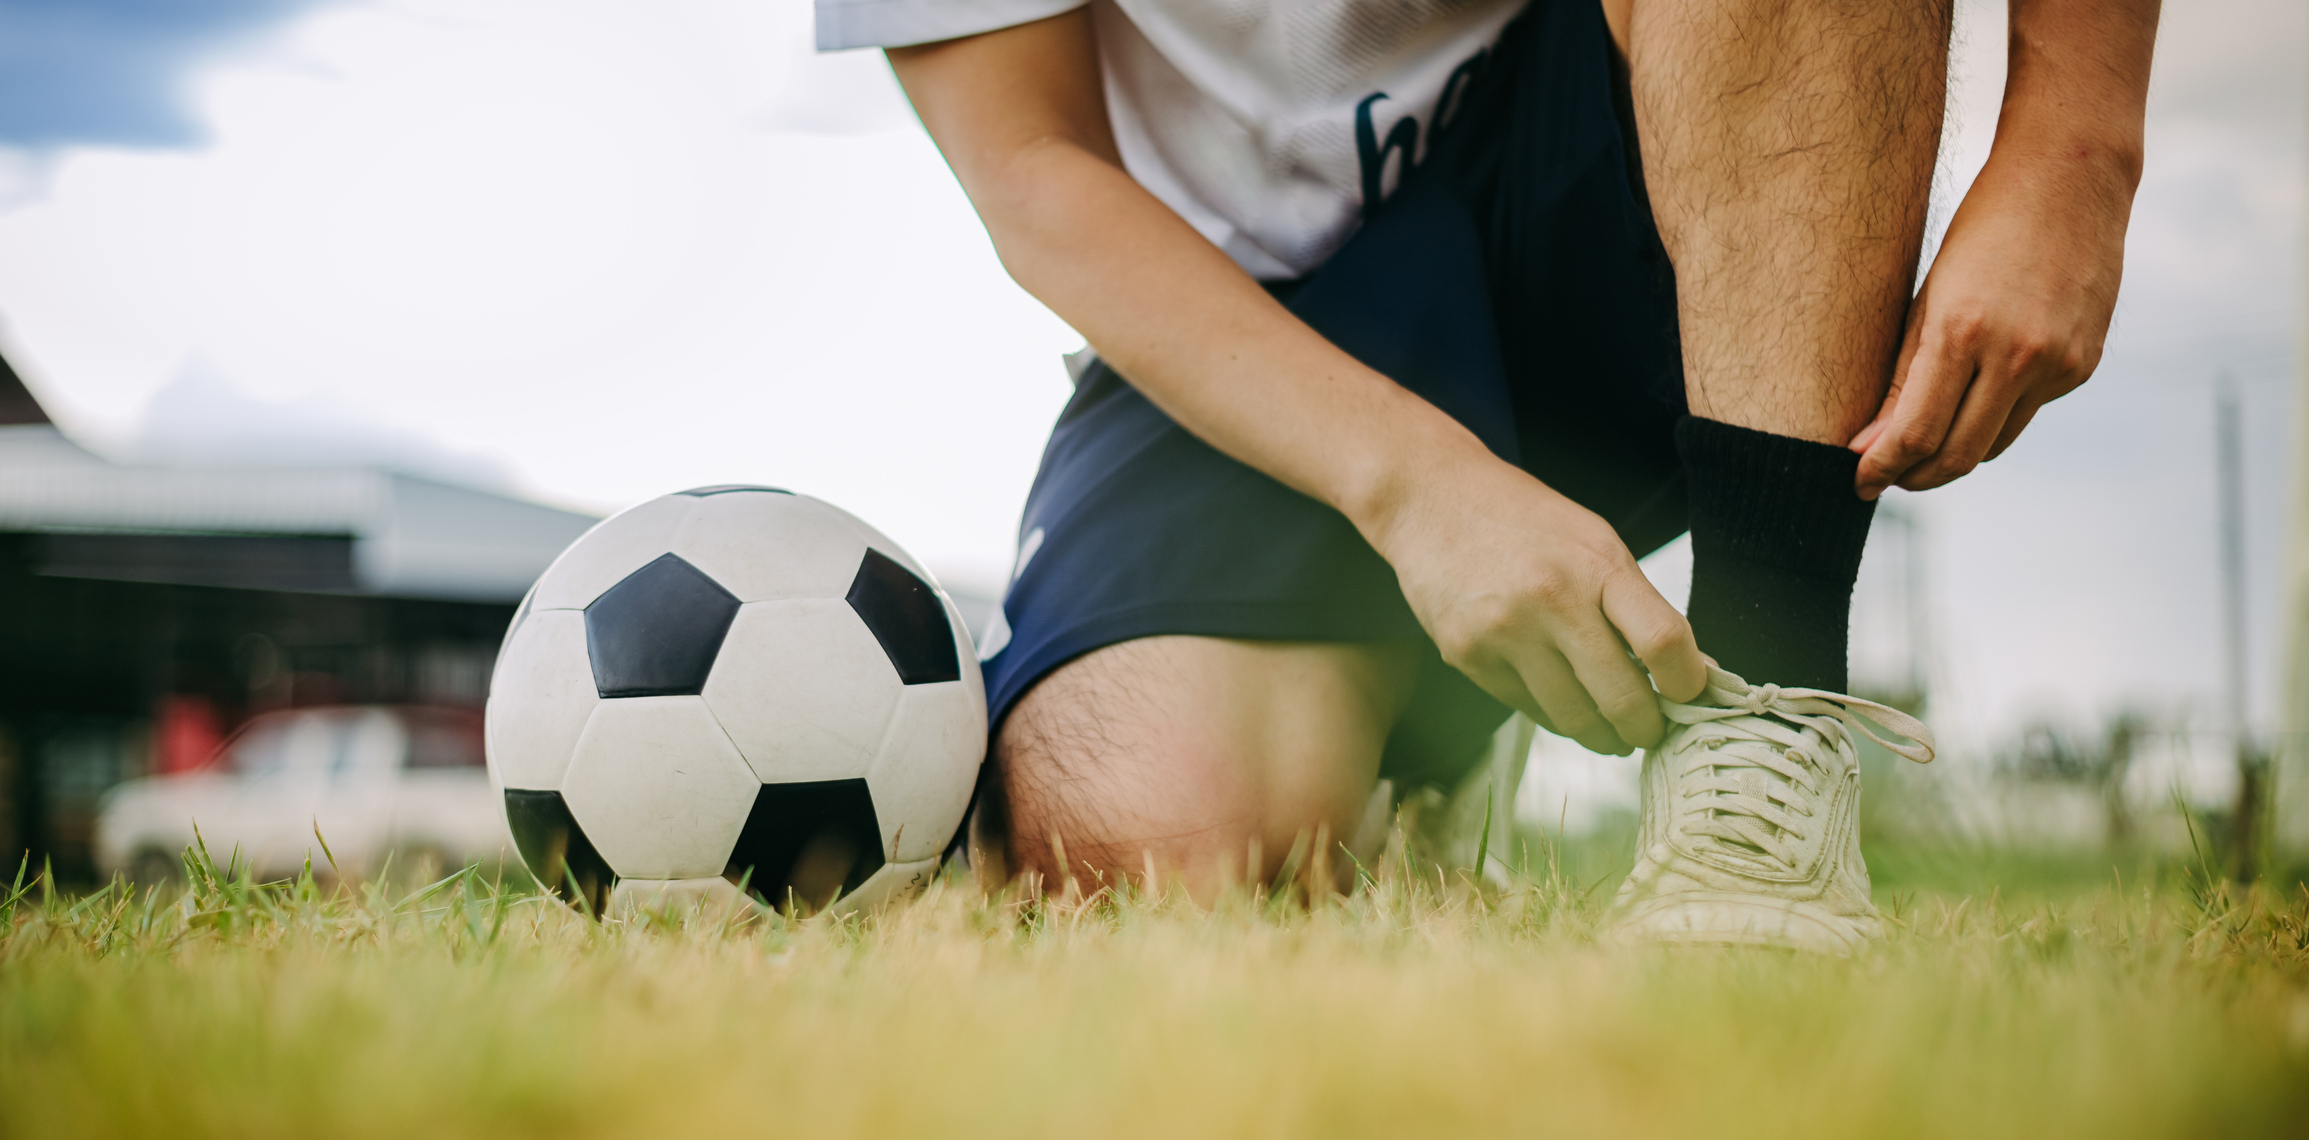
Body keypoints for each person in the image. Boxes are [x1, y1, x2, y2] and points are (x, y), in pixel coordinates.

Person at [814, 0, 2158, 950]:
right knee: (1145, 854)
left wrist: (2073, 148)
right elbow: (1035, 168)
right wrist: (1419, 489)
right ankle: (1414, 739)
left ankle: (1763, 744)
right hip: (1240, 302)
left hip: (1641, 155)